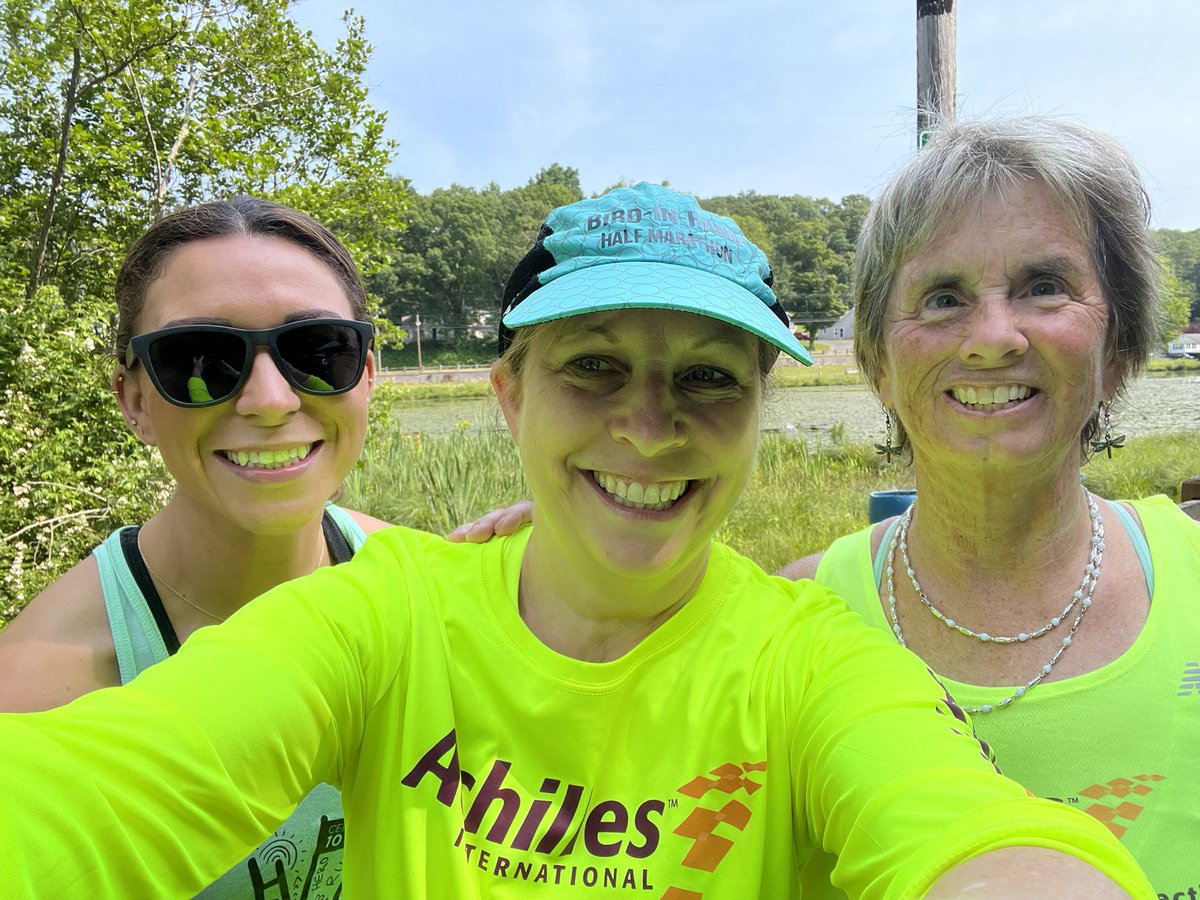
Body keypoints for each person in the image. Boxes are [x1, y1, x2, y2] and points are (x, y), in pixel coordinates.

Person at [0, 183, 1152, 898]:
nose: (648, 427)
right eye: (592, 366)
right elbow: (114, 783)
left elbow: (961, 823)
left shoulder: (814, 660)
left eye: (706, 379)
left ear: (759, 416)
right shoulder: (379, 610)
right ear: (509, 394)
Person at [773, 118, 1200, 896]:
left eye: (1043, 286)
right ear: (879, 367)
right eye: (943, 297)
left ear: (1118, 351)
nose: (994, 338)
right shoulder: (793, 621)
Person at [0, 196, 391, 899]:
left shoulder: (427, 587)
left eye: (318, 351)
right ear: (134, 401)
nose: (270, 400)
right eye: (200, 360)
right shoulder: (38, 691)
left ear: (366, 374)